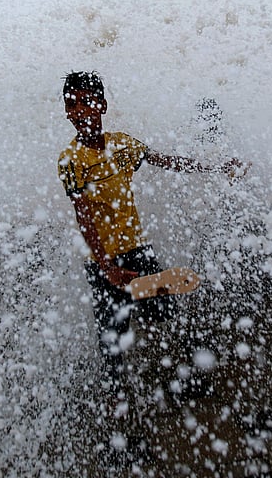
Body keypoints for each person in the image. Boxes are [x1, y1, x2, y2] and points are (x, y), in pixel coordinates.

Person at [57, 72, 246, 376]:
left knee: (164, 311)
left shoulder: (121, 145)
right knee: (112, 339)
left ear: (102, 105)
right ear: (66, 112)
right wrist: (108, 269)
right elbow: (84, 218)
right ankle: (115, 394)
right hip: (102, 261)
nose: (79, 111)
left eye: (86, 102)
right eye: (72, 104)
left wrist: (217, 167)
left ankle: (138, 311)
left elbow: (167, 161)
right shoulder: (71, 160)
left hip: (136, 249)